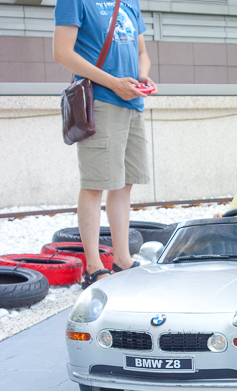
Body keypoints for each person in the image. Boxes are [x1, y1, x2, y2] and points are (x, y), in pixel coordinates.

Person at [53, 0, 157, 288]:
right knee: (95, 183)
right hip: (100, 101)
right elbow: (62, 52)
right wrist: (113, 83)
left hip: (132, 102)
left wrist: (142, 76)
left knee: (124, 184)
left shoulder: (129, 2)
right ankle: (93, 267)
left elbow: (142, 52)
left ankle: (122, 259)